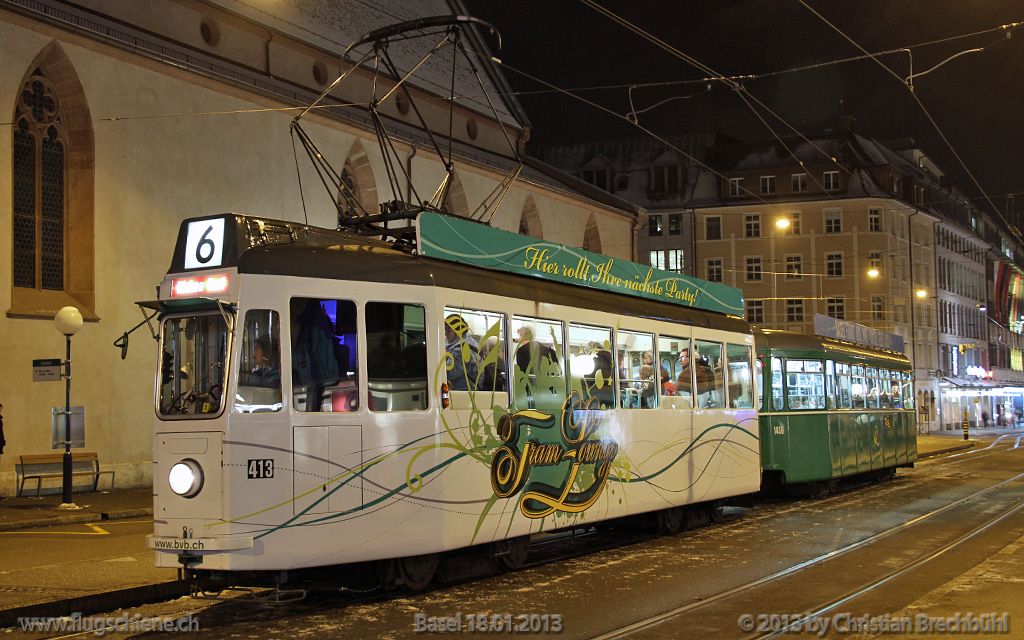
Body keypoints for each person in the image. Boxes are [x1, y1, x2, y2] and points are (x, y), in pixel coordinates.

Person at [445, 314, 480, 391]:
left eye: (448, 330)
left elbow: (449, 373)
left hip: (465, 393)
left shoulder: (462, 349)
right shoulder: (470, 341)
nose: (445, 333)